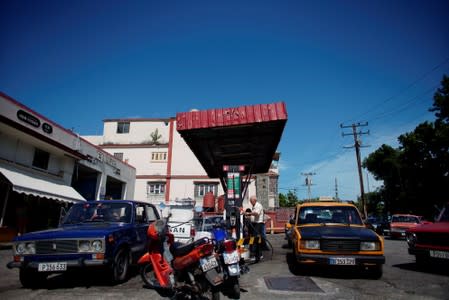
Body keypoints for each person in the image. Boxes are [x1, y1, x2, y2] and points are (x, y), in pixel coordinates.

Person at [245, 195, 264, 262]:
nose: (250, 202)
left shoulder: (258, 205)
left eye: (251, 201)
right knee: (256, 239)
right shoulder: (254, 206)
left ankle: (254, 255)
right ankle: (259, 254)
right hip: (254, 223)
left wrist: (248, 213)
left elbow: (256, 214)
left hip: (258, 224)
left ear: (254, 200)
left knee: (255, 239)